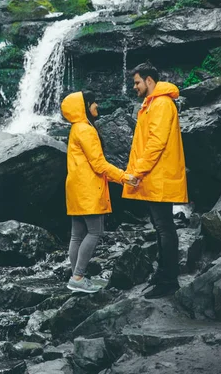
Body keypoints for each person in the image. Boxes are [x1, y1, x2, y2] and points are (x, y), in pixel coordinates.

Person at [61, 90, 138, 293]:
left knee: (77, 235)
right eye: (93, 103)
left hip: (76, 188)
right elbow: (99, 164)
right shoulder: (86, 130)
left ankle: (75, 277)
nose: (97, 106)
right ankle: (78, 276)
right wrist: (124, 177)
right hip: (88, 188)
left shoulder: (76, 128)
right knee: (95, 232)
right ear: (84, 107)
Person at [123, 62, 188, 299]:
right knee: (162, 228)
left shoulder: (161, 103)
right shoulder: (152, 104)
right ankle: (163, 276)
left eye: (137, 82)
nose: (135, 87)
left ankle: (168, 280)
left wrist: (137, 172)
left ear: (149, 80)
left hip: (158, 176)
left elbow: (156, 143)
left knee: (164, 228)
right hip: (154, 176)